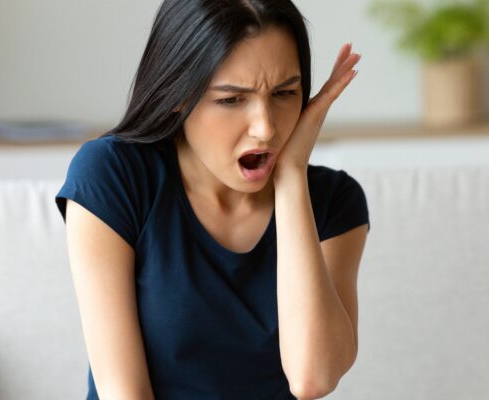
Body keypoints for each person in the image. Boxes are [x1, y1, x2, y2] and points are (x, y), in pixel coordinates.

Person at [54, 0, 370, 399]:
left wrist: (291, 178)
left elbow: (313, 379)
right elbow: (124, 393)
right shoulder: (114, 175)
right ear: (178, 95)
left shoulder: (334, 202)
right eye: (231, 99)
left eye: (284, 93)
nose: (265, 128)